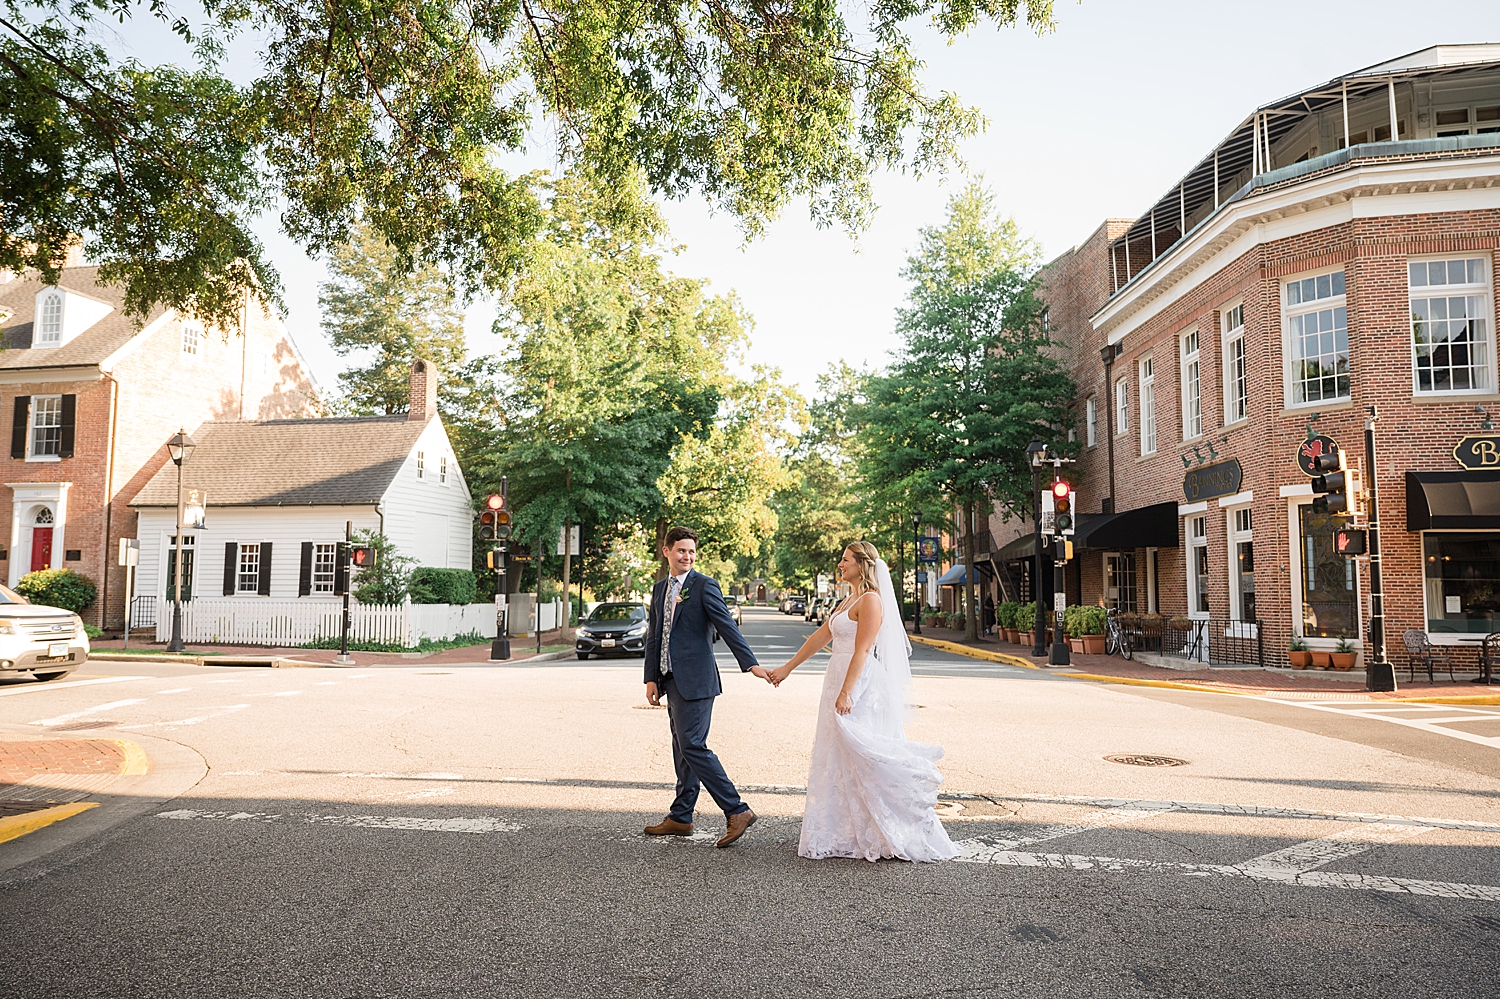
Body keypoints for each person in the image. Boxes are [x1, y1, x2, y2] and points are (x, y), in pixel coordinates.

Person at [768, 541, 958, 862]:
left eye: (845, 560)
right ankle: (842, 830)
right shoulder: (846, 601)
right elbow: (821, 637)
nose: (840, 564)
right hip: (837, 678)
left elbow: (862, 650)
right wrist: (787, 668)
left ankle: (882, 830)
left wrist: (847, 691)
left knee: (863, 753)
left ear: (862, 564)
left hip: (861, 685)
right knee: (837, 753)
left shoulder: (870, 601)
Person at [642, 526, 773, 848]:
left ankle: (737, 809)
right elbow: (654, 637)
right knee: (682, 748)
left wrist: (751, 664)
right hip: (670, 679)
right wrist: (651, 678)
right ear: (667, 551)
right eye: (681, 550)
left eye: (691, 552)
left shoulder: (704, 586)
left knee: (692, 746)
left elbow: (727, 626)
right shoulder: (660, 589)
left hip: (698, 679)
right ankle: (681, 816)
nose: (687, 556)